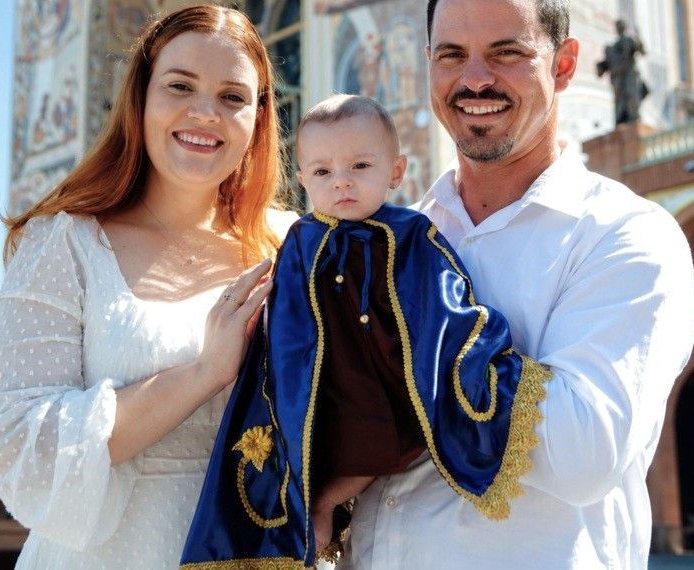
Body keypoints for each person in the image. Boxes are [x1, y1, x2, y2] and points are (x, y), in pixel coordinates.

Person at [342, 0, 694, 568]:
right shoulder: (398, 237)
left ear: (563, 66)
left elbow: (581, 450)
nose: (474, 79)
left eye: (507, 52)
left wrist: (402, 351)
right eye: (451, 54)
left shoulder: (624, 235)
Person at [0, 4, 296, 568]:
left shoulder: (292, 247)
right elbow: (12, 437)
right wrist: (202, 375)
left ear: (259, 117)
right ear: (140, 99)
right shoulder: (65, 244)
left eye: (232, 97)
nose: (204, 113)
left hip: (261, 550)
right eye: (180, 86)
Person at [180, 94, 548, 567]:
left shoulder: (414, 232)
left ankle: (326, 504)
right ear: (302, 179)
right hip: (326, 387)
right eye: (323, 173)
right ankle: (308, 525)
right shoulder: (300, 240)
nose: (342, 184)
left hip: (393, 382)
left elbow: (444, 304)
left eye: (359, 166)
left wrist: (466, 356)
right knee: (299, 458)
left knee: (383, 443)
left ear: (395, 171)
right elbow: (289, 328)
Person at [596, 18, 648, 125]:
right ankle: (622, 120)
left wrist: (639, 39)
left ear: (624, 27)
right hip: (618, 78)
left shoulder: (630, 40)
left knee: (631, 95)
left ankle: (634, 119)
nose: (619, 28)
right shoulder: (612, 47)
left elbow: (643, 52)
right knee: (620, 101)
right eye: (617, 26)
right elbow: (607, 64)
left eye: (620, 26)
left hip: (630, 75)